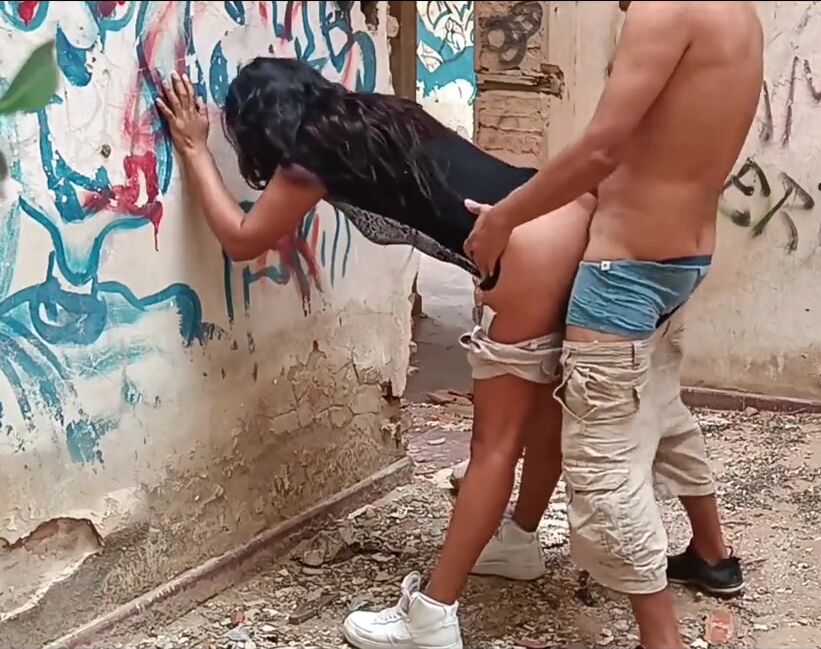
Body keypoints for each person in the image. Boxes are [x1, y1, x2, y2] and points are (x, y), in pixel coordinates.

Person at [154, 58, 589, 649]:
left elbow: (241, 238)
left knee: (495, 445)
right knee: (544, 413)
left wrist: (194, 149)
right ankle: (518, 541)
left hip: (525, 251)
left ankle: (432, 615)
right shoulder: (380, 115)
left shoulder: (311, 160)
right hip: (563, 214)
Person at [463, 2, 763, 647]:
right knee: (660, 408)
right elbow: (669, 142)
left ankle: (660, 637)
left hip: (625, 272)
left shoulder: (663, 10)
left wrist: (503, 218)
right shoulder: (737, 14)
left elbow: (603, 147)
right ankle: (711, 555)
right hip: (683, 258)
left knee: (601, 463)